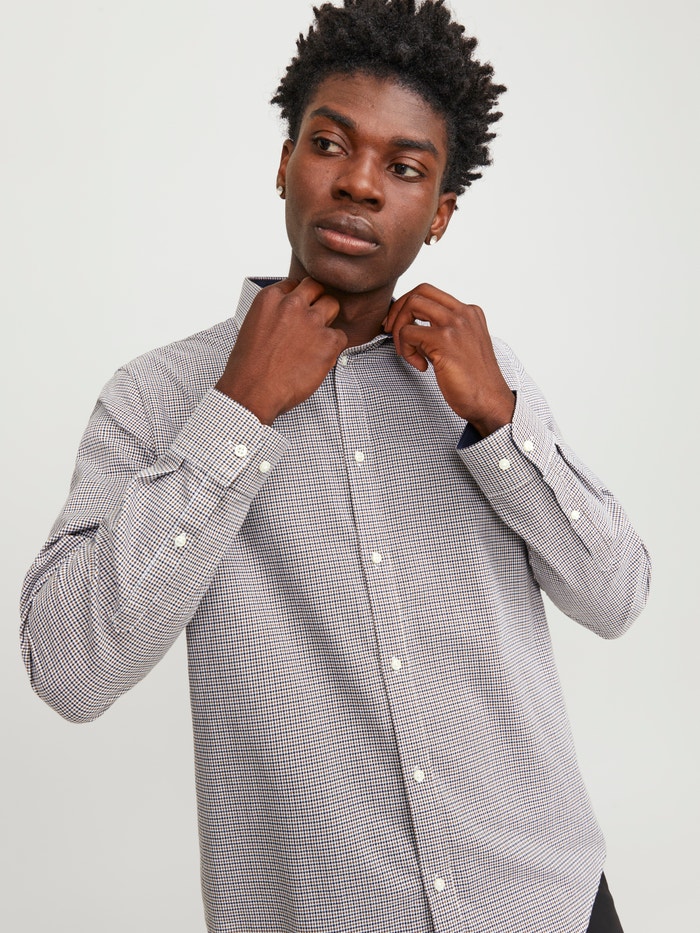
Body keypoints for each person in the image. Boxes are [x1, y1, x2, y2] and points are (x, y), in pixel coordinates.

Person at [20, 1, 650, 931]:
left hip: (544, 903)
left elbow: (617, 595)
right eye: (330, 145)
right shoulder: (155, 397)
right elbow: (69, 668)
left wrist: (501, 421)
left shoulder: (484, 378)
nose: (359, 183)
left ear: (439, 214)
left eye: (405, 167)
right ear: (285, 163)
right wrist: (238, 412)